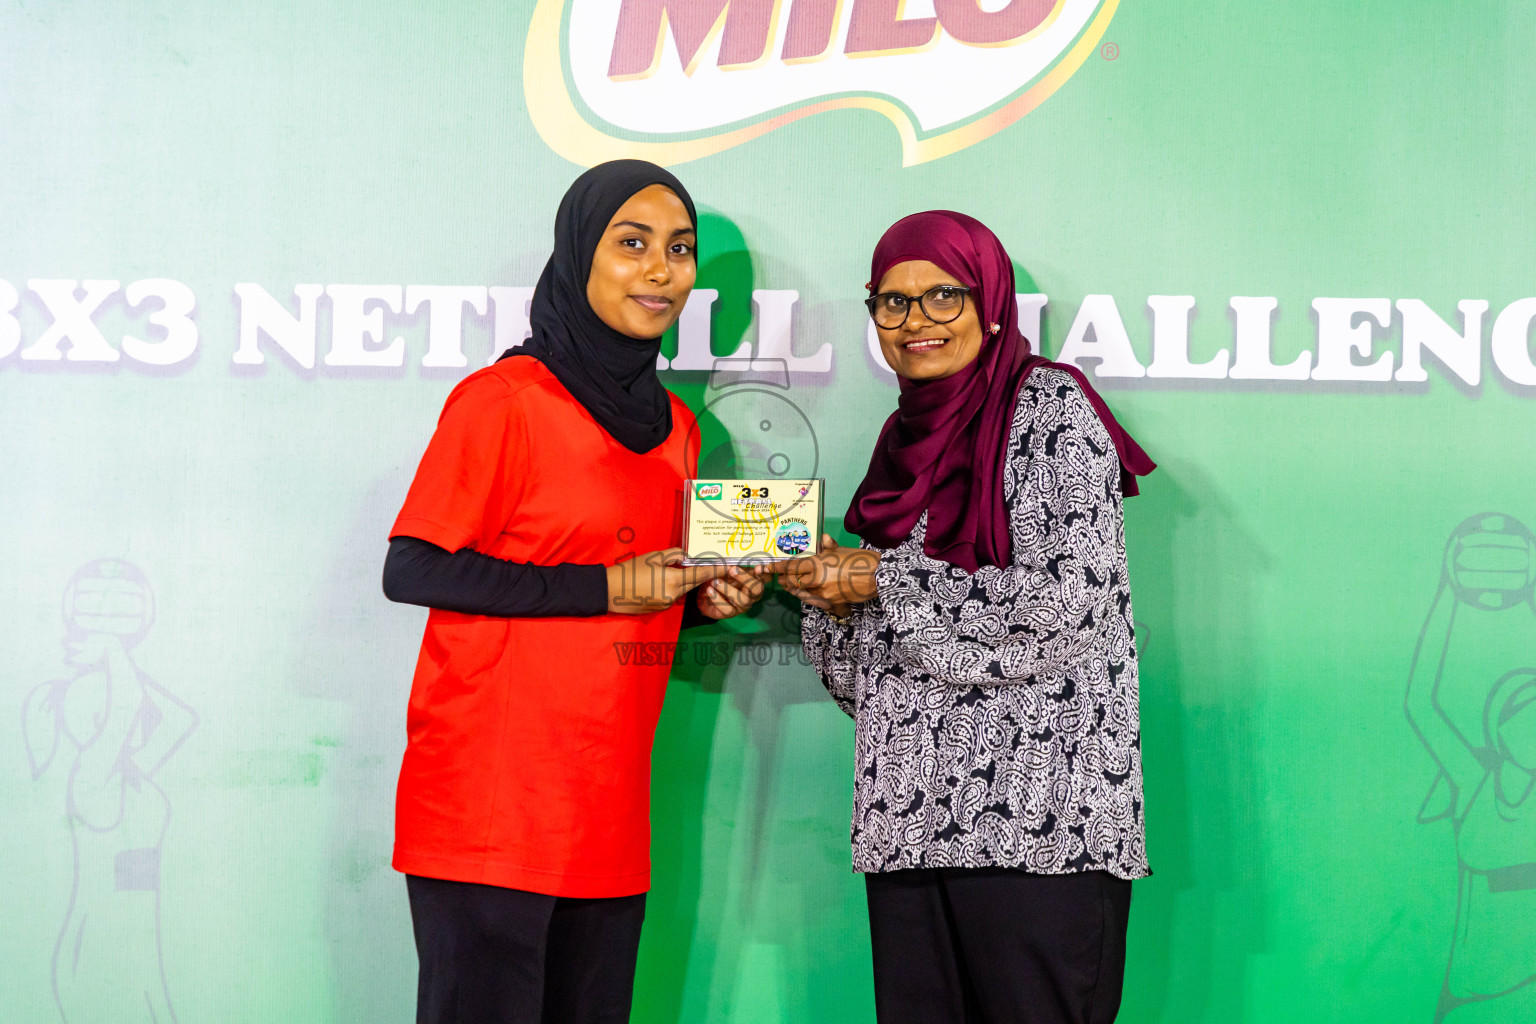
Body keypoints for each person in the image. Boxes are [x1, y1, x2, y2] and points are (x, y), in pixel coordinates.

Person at [381, 159, 765, 1024]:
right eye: (631, 245)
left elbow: (648, 589)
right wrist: (605, 586)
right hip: (491, 811)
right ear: (579, 254)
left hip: (609, 813)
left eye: (678, 248)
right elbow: (413, 566)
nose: (660, 270)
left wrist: (711, 598)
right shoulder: (504, 400)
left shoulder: (682, 431)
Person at [776, 211, 1155, 1024]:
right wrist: (820, 597)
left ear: (989, 301)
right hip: (908, 823)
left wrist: (879, 577)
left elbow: (1068, 600)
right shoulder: (900, 443)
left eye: (942, 295)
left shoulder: (1050, 411)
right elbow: (869, 681)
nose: (916, 322)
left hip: (1040, 828)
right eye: (892, 302)